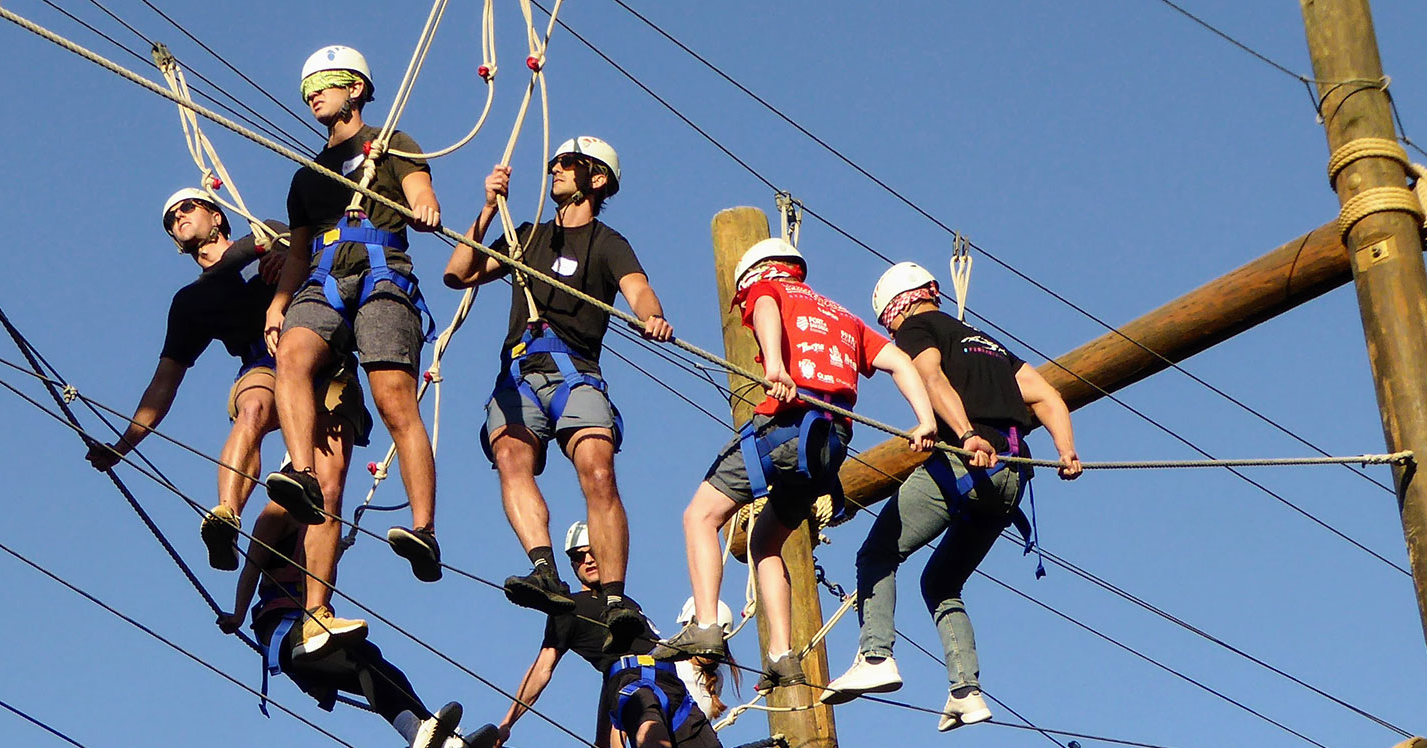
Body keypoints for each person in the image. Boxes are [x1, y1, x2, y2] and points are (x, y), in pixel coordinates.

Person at [656, 239, 937, 694]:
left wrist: (779, 366)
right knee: (765, 542)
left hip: (786, 428)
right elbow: (900, 362)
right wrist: (924, 420)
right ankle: (782, 656)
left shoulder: (768, 288)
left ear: (758, 272)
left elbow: (765, 305)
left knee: (699, 517)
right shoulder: (844, 316)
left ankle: (706, 623)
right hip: (830, 446)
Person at [820, 262, 1081, 731]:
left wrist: (964, 433)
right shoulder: (992, 346)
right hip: (1011, 478)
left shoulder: (918, 329)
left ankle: (876, 655)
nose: (892, 331)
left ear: (896, 309)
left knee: (877, 553)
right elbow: (1046, 396)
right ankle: (967, 692)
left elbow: (930, 376)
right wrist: (1067, 452)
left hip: (965, 463)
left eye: (888, 324)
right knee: (941, 585)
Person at [445, 137, 672, 643]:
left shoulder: (608, 242)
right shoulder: (525, 236)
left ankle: (615, 598)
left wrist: (651, 316)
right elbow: (458, 273)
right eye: (554, 165)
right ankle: (544, 569)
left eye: (567, 165)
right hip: (521, 371)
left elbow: (636, 287)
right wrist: (486, 208)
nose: (555, 171)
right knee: (510, 457)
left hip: (575, 371)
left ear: (596, 178)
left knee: (597, 468)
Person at [87, 189, 370, 574]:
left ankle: (317, 607)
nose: (178, 218)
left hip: (319, 353)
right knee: (251, 408)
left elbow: (324, 255)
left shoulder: (264, 237)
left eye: (187, 208)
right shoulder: (193, 301)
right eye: (170, 219)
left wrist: (289, 261)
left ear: (217, 216)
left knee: (328, 489)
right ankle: (226, 516)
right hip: (262, 362)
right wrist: (123, 445)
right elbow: (163, 384)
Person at [263, 45, 446, 633]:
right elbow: (297, 250)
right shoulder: (307, 176)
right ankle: (302, 472)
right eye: (307, 87)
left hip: (382, 271)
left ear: (357, 89)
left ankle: (423, 530)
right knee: (292, 352)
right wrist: (277, 302)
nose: (314, 94)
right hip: (322, 274)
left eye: (326, 83)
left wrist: (422, 207)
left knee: (395, 400)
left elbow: (421, 191)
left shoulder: (393, 144)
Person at [221, 500, 499, 748]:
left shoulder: (320, 518)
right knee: (362, 656)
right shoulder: (277, 510)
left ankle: (439, 740)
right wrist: (238, 614)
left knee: (379, 667)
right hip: (284, 631)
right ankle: (420, 737)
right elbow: (251, 567)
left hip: (308, 631)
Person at [498, 523, 729, 748]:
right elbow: (541, 669)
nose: (587, 560)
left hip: (674, 687)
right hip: (633, 686)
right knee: (651, 731)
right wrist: (507, 723)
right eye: (579, 556)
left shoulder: (625, 604)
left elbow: (607, 685)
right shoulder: (567, 608)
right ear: (572, 564)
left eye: (594, 552)